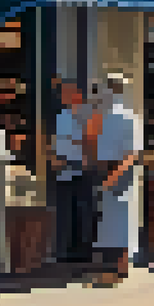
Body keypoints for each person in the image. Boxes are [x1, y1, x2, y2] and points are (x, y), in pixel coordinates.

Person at [92, 73, 142, 287]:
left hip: (120, 172)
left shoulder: (129, 118)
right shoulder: (104, 117)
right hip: (106, 169)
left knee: (122, 219)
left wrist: (112, 177)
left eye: (111, 87)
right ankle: (111, 267)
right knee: (109, 221)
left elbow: (131, 154)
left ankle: (121, 268)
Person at [52, 79, 97, 266]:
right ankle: (66, 250)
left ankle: (84, 251)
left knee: (83, 209)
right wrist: (54, 154)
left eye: (67, 92)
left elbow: (91, 139)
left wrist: (85, 158)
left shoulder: (86, 114)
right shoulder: (62, 114)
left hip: (81, 166)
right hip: (63, 167)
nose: (63, 96)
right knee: (66, 209)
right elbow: (60, 139)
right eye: (62, 93)